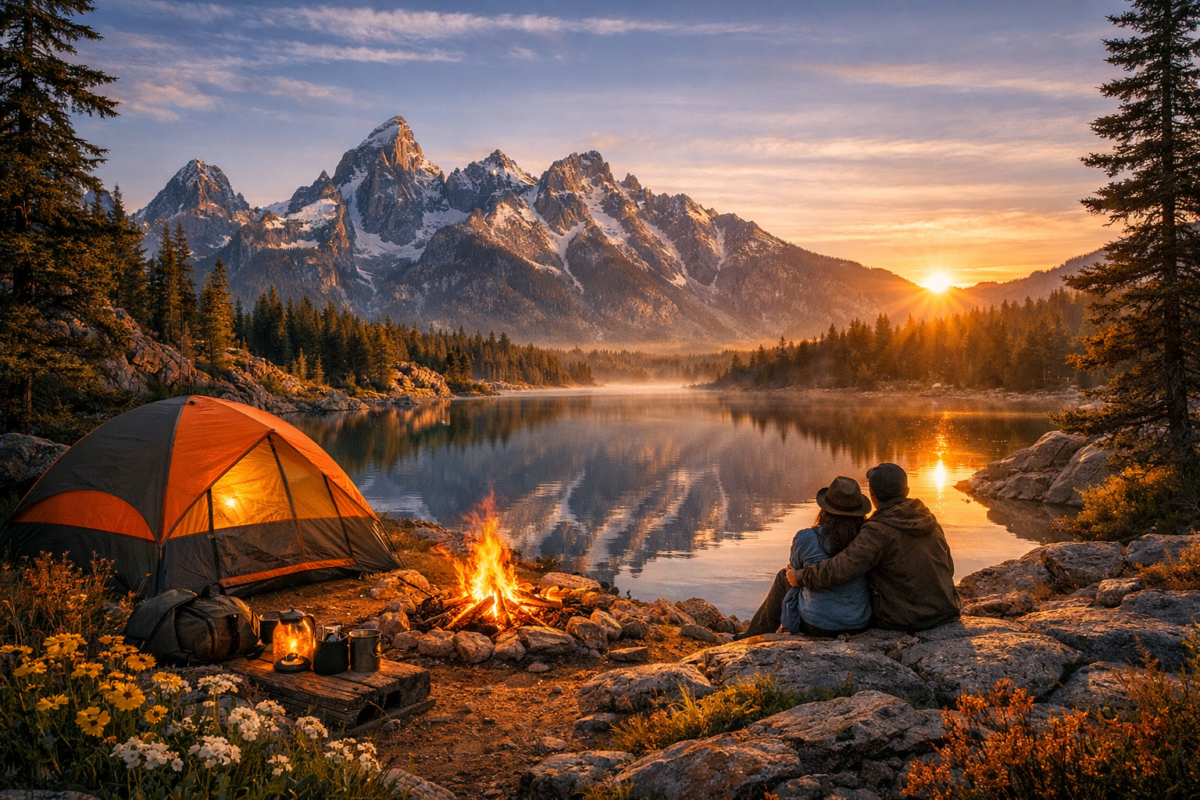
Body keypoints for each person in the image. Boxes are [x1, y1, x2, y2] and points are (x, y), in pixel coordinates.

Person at [790, 462, 960, 632]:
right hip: (946, 611)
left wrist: (800, 576)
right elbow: (948, 568)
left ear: (872, 494)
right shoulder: (929, 519)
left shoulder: (877, 530)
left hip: (905, 619)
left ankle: (764, 632)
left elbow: (841, 569)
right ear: (907, 491)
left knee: (785, 579)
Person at [739, 476, 873, 638]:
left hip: (816, 626)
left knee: (784, 576)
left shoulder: (806, 537)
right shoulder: (866, 540)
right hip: (859, 624)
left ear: (825, 509)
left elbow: (793, 571)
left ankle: (755, 634)